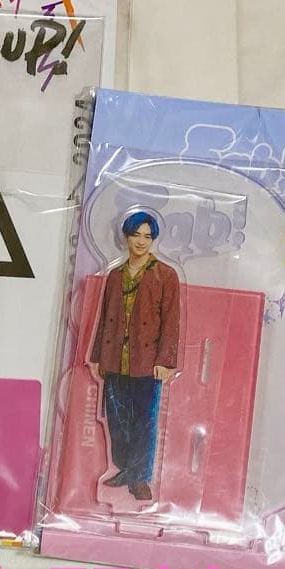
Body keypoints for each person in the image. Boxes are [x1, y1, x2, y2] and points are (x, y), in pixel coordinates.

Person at [86, 211, 180, 501]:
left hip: (147, 362)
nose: (141, 241)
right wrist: (99, 356)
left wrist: (165, 361)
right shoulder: (115, 276)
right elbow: (105, 318)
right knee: (116, 418)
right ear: (126, 237)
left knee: (144, 420)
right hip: (115, 358)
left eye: (147, 236)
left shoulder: (165, 275)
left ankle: (139, 478)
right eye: (136, 235)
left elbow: (171, 320)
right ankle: (125, 468)